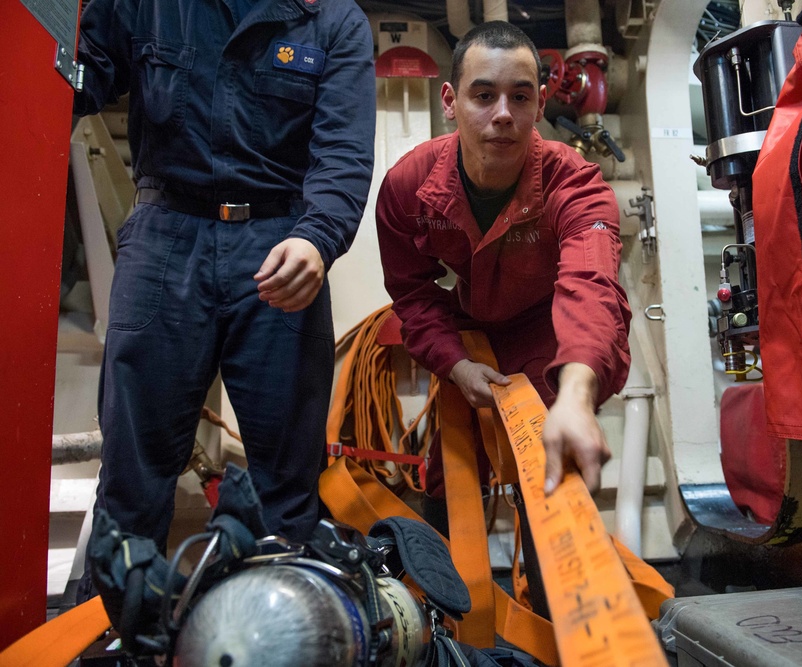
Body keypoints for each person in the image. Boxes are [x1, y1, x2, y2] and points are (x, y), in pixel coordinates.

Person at [72, 0, 376, 589]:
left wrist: (317, 240)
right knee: (131, 479)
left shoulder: (333, 21)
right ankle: (113, 638)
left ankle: (284, 638)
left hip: (280, 240)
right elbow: (76, 75)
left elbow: (342, 153)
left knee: (287, 491)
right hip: (166, 234)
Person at [375, 21, 630, 507]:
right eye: (484, 95)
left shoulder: (575, 184)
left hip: (550, 333)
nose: (503, 114)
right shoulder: (408, 185)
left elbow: (591, 284)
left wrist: (576, 395)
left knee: (554, 472)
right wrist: (454, 364)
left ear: (539, 102)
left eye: (520, 96)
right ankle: (443, 580)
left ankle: (557, 579)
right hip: (470, 336)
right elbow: (412, 293)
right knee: (450, 483)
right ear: (450, 102)